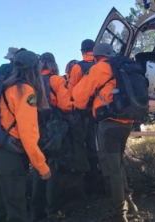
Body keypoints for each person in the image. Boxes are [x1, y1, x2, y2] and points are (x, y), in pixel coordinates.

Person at [72, 43, 138, 222]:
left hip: (109, 124)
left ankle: (119, 214)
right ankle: (130, 205)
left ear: (97, 56)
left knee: (111, 169)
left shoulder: (100, 68)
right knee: (118, 165)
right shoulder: (122, 66)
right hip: (127, 121)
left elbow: (78, 97)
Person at [0, 50, 51, 222]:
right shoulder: (25, 91)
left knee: (1, 210)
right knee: (17, 213)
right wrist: (41, 166)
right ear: (35, 69)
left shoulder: (4, 86)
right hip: (9, 158)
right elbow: (28, 134)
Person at [31, 52, 72, 221]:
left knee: (37, 167)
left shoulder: (31, 83)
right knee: (51, 166)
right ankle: (53, 210)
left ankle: (36, 211)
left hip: (34, 129)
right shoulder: (56, 80)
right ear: (53, 64)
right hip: (53, 128)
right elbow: (66, 106)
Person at [68, 39, 99, 198]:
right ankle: (99, 180)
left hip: (82, 112)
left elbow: (71, 91)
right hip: (100, 112)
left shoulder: (78, 67)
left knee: (81, 145)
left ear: (82, 51)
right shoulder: (100, 64)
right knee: (97, 145)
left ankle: (85, 181)